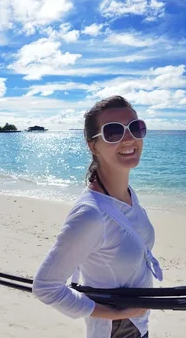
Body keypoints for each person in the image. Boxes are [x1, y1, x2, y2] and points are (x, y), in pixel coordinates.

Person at [33, 95, 162, 338]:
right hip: (115, 331)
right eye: (113, 132)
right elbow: (46, 287)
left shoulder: (127, 194)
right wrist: (114, 314)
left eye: (136, 127)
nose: (129, 138)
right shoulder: (90, 215)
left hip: (139, 325)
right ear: (93, 146)